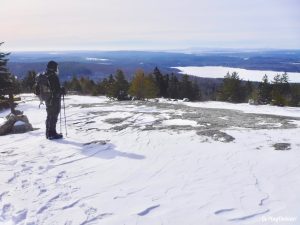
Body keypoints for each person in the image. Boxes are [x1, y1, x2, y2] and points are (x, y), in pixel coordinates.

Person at [44, 61, 65, 139]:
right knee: (53, 116)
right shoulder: (53, 76)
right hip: (54, 100)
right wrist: (62, 90)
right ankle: (52, 133)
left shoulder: (46, 74)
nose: (57, 69)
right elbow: (56, 90)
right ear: (53, 68)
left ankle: (48, 133)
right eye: (56, 67)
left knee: (49, 115)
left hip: (48, 99)